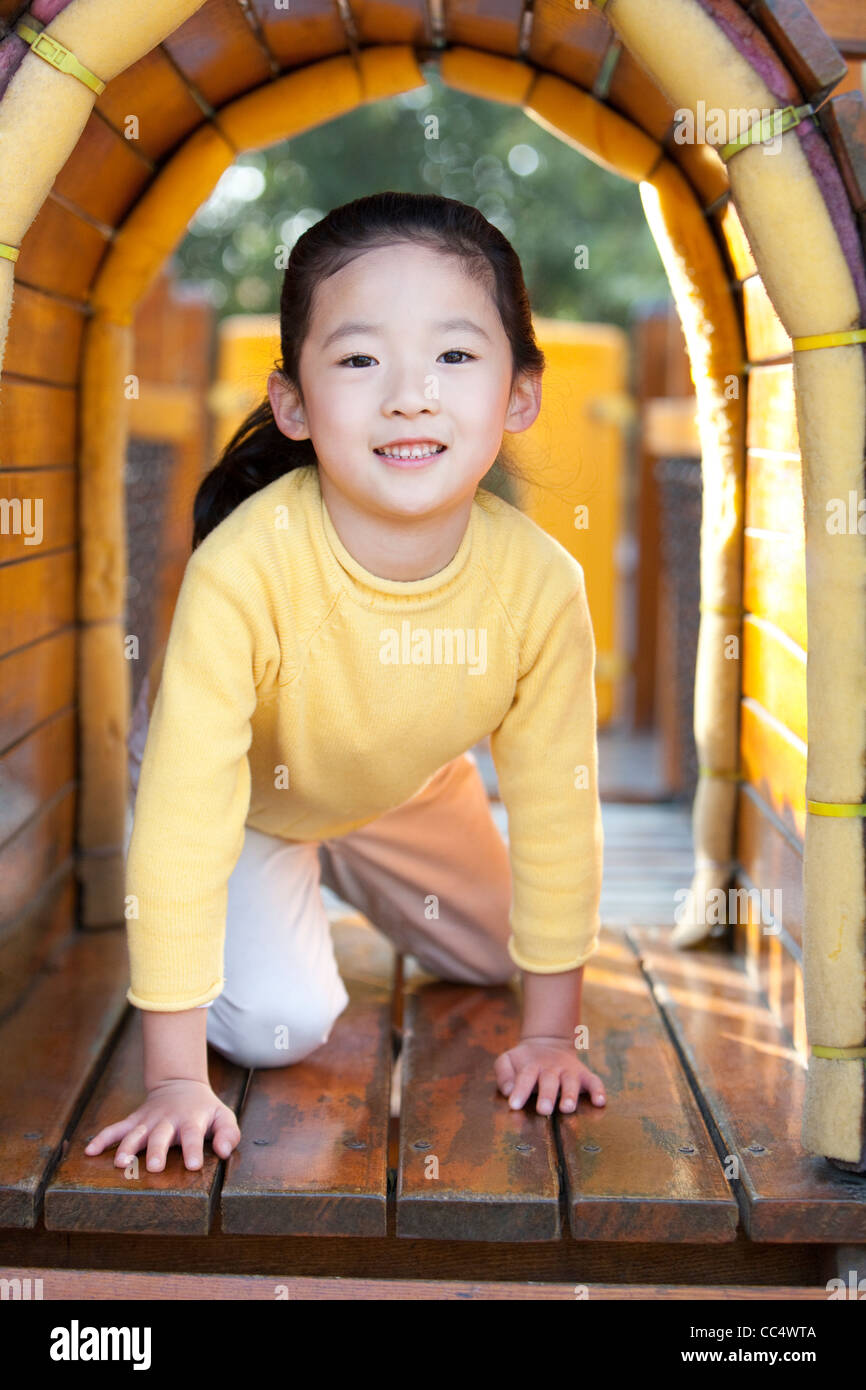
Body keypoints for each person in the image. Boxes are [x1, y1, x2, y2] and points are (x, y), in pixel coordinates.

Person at [84, 190, 606, 1176]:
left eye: (454, 356)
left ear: (519, 394)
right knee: (278, 1025)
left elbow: (554, 809)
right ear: (292, 402)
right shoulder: (243, 567)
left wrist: (550, 1034)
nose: (409, 394)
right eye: (360, 360)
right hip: (247, 797)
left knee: (505, 954)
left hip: (395, 781)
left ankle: (356, 851)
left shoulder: (540, 584)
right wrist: (172, 1080)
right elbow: (186, 816)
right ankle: (286, 878)